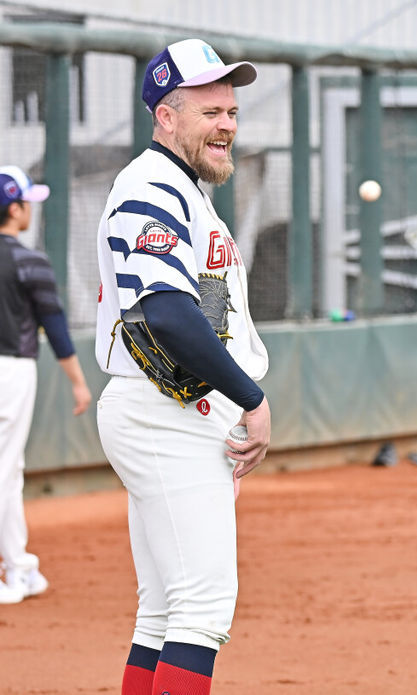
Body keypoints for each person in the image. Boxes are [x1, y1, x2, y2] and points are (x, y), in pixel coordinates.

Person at [94, 39, 271, 695]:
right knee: (202, 606)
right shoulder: (151, 184)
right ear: (166, 116)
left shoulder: (183, 189)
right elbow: (165, 312)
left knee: (166, 607)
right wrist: (249, 397)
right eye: (209, 110)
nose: (227, 122)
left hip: (171, 409)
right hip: (167, 413)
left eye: (231, 109)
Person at [0, 165, 92, 604]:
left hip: (13, 370)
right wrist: (78, 383)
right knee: (4, 472)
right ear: (14, 209)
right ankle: (14, 574)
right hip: (11, 373)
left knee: (10, 471)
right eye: (26, 204)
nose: (30, 211)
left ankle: (20, 566)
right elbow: (54, 327)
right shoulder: (29, 261)